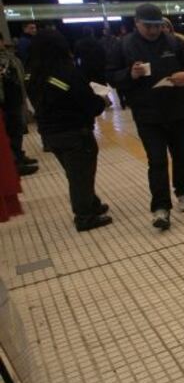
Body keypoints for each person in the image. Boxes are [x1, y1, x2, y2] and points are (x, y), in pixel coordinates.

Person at [106, 3, 184, 230]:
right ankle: (161, 208)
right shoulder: (123, 46)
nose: (153, 31)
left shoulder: (175, 42)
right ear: (136, 24)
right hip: (147, 114)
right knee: (157, 160)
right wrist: (129, 74)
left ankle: (183, 192)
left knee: (180, 154)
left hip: (178, 110)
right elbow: (111, 76)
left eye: (157, 26)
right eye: (148, 26)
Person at [25, 30, 112, 232]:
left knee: (74, 172)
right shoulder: (66, 72)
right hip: (75, 131)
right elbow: (87, 102)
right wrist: (100, 100)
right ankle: (85, 216)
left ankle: (91, 203)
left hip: (49, 133)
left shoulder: (32, 74)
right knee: (80, 174)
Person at [0, 43, 38, 176]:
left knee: (17, 129)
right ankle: (15, 162)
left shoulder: (11, 58)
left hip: (15, 99)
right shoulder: (8, 59)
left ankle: (19, 156)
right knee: (10, 131)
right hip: (5, 103)